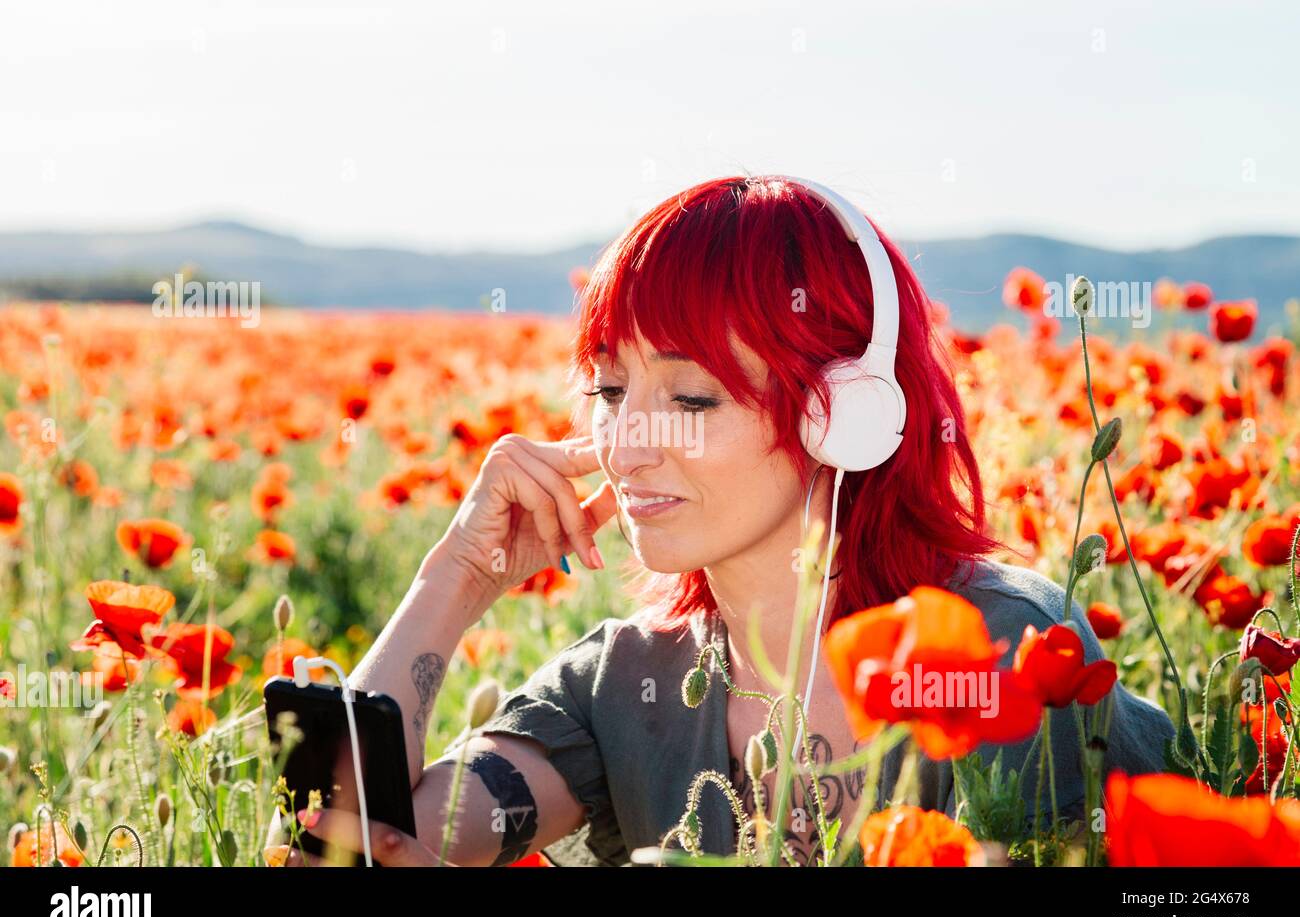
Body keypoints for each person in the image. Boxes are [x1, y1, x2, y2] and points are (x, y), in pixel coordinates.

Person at [273, 175, 1174, 867]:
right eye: (611, 391)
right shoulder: (621, 687)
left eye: (692, 397)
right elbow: (354, 843)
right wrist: (454, 579)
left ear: (842, 411)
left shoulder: (1005, 657)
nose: (626, 446)